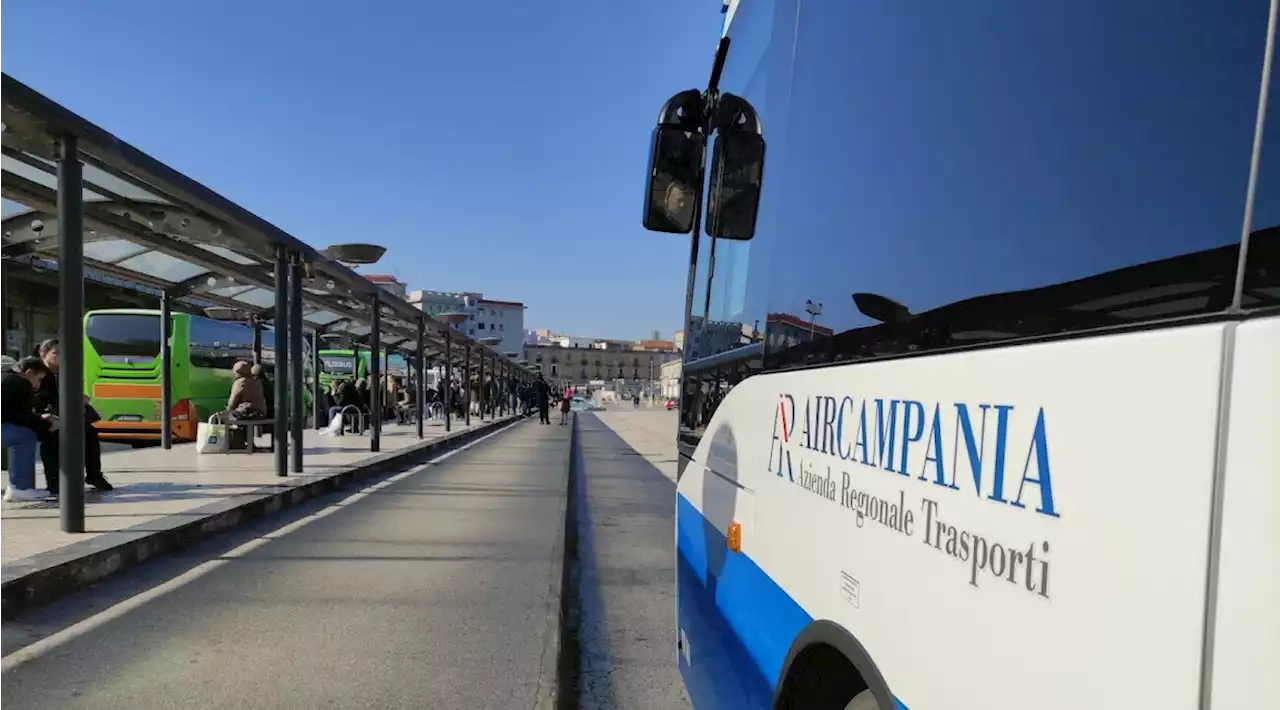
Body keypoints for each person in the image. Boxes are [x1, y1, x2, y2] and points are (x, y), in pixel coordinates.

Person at [33, 339, 113, 494]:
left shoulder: (65, 372)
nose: (60, 357)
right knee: (52, 438)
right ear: (43, 354)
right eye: (56, 353)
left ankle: (94, 475)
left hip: (64, 414)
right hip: (42, 415)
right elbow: (38, 399)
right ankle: (54, 481)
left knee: (89, 433)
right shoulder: (37, 371)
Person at [0, 357, 58, 502]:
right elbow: (19, 416)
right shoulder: (20, 383)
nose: (39, 385)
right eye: (40, 379)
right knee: (25, 436)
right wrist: (47, 423)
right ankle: (20, 488)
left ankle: (19, 487)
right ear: (30, 373)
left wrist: (39, 418)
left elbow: (11, 413)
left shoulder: (6, 379)